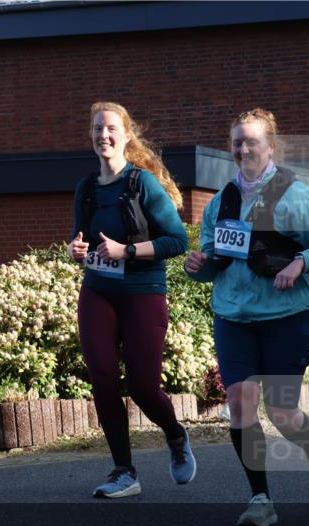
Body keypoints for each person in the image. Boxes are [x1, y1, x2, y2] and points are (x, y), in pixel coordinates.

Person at [185, 108, 309, 526]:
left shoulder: (296, 196)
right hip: (233, 316)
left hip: (286, 316)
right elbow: (213, 262)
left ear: (270, 146)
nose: (242, 149)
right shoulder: (222, 201)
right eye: (237, 142)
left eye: (251, 141)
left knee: (282, 413)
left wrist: (302, 263)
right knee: (240, 403)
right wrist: (199, 265)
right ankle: (260, 499)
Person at [68, 101, 194, 498]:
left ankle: (175, 435)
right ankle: (124, 471)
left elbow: (177, 240)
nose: (102, 136)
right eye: (96, 129)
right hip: (98, 290)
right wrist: (74, 248)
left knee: (142, 386)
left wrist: (128, 251)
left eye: (110, 129)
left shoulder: (143, 184)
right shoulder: (86, 188)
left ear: (125, 135)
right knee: (103, 381)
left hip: (142, 292)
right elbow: (81, 238)